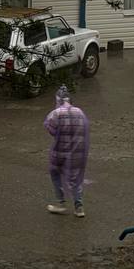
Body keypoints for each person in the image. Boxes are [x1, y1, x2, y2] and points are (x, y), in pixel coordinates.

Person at [44, 85, 89, 218]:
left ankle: (61, 203)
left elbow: (51, 129)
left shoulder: (56, 113)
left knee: (55, 172)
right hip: (78, 153)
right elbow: (85, 131)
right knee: (76, 178)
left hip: (60, 151)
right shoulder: (80, 112)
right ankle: (79, 207)